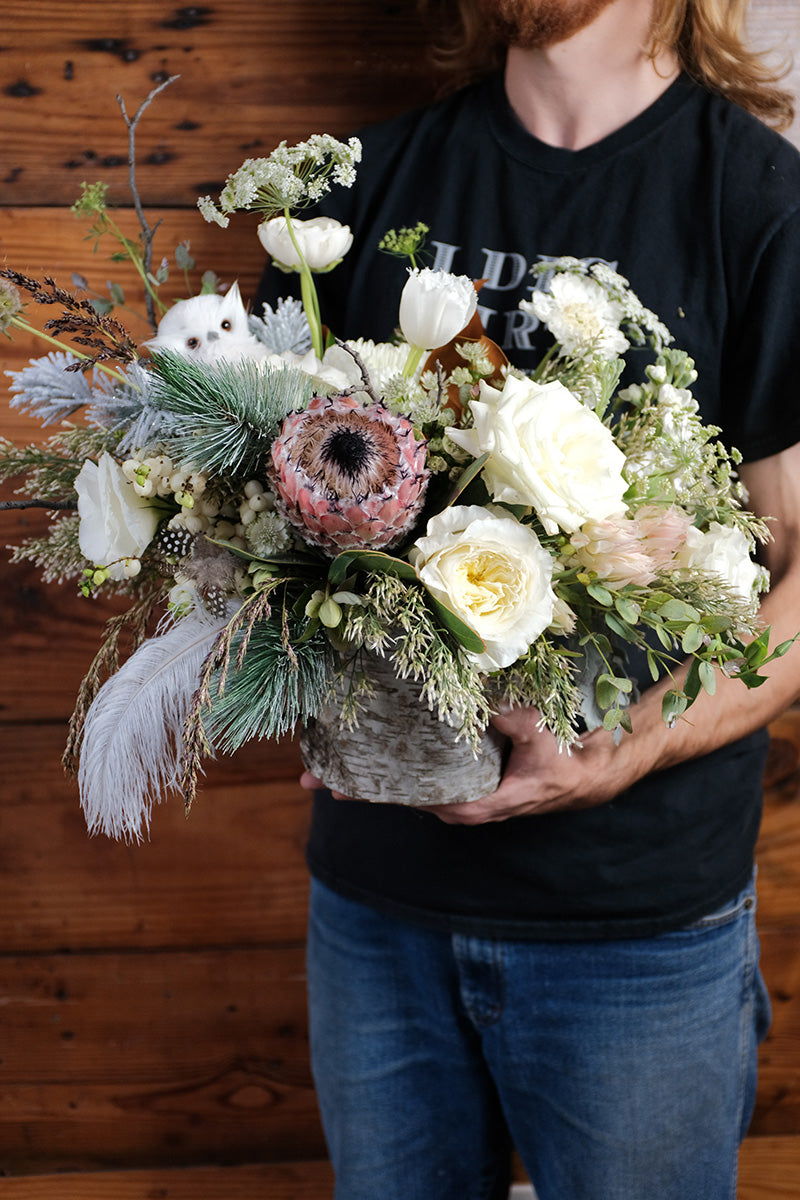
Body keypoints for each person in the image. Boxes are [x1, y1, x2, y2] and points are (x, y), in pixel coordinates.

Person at [256, 2, 800, 1196]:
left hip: (634, 937)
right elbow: (265, 510)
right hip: (375, 910)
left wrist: (629, 747)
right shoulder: (360, 188)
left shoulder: (756, 201)